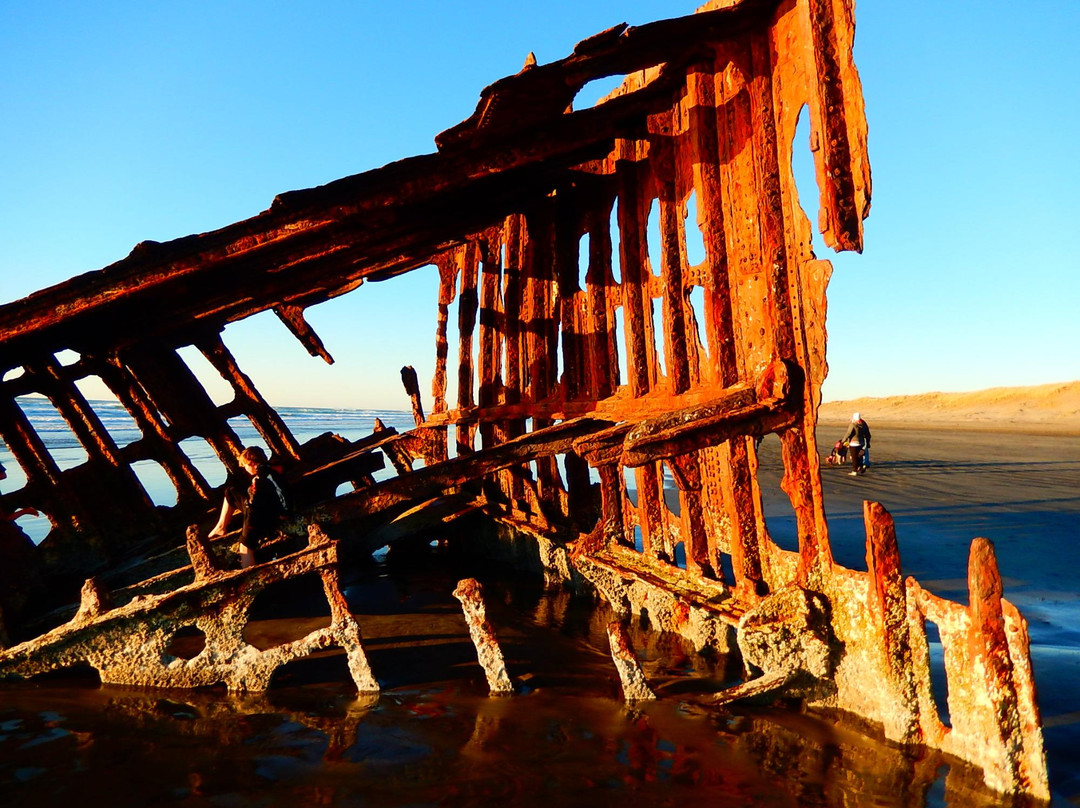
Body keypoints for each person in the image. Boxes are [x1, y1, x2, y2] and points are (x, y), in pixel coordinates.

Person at [208, 446, 290, 568]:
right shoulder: (265, 472)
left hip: (258, 516)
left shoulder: (267, 474)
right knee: (230, 492)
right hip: (255, 509)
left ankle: (249, 574)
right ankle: (221, 526)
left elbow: (283, 492)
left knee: (245, 546)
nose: (245, 469)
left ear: (251, 463)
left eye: (245, 465)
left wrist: (284, 513)